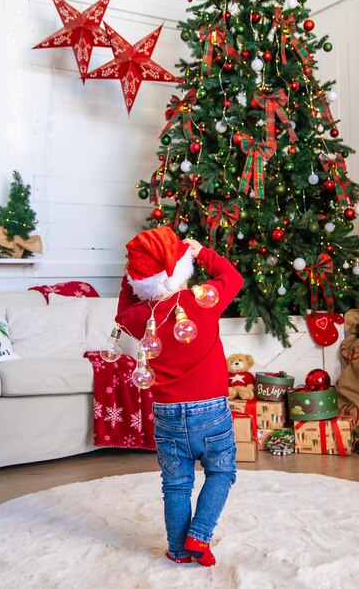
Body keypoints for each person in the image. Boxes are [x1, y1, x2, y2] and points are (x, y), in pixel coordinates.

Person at [115, 225, 244, 567]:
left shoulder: (141, 317)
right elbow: (233, 276)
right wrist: (202, 252)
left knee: (176, 484)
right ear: (182, 268)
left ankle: (177, 549)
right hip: (212, 412)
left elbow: (122, 312)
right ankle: (199, 535)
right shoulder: (201, 300)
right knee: (221, 472)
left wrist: (130, 280)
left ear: (141, 281)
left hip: (168, 415)